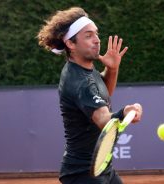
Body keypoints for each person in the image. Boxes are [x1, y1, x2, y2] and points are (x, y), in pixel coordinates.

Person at [37, 7, 143, 184]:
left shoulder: (82, 70)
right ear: (71, 44)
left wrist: (112, 68)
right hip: (82, 174)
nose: (97, 40)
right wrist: (125, 112)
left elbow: (103, 94)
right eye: (88, 36)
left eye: (96, 34)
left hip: (99, 167)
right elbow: (103, 120)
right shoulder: (80, 81)